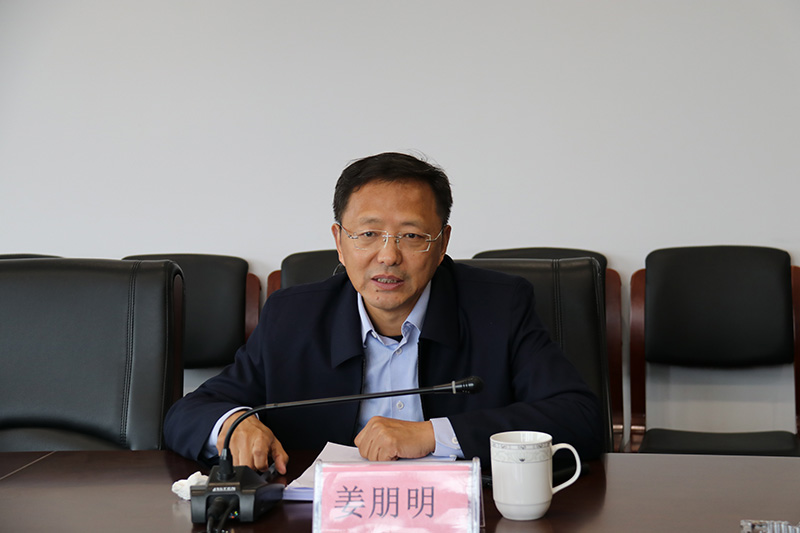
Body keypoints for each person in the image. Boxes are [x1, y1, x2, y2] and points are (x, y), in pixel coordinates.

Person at [163, 152, 603, 475]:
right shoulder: (292, 317)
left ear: (442, 243)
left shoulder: (499, 306)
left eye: (411, 236)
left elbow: (579, 417)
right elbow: (189, 412)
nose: (388, 256)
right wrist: (233, 425)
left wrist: (433, 435)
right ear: (340, 241)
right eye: (368, 234)